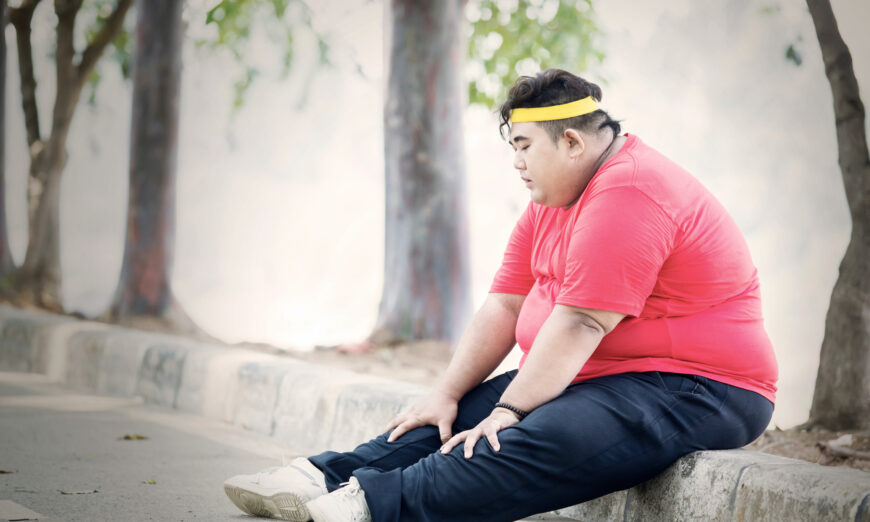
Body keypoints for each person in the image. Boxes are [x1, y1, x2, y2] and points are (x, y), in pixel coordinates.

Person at [223, 68, 778, 522]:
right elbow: (506, 302)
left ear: (571, 141)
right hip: (599, 373)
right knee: (457, 413)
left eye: (523, 146)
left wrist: (512, 409)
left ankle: (374, 507)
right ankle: (324, 478)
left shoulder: (631, 189)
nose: (516, 162)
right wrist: (446, 392)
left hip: (700, 386)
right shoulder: (554, 197)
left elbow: (582, 322)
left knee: (527, 433)